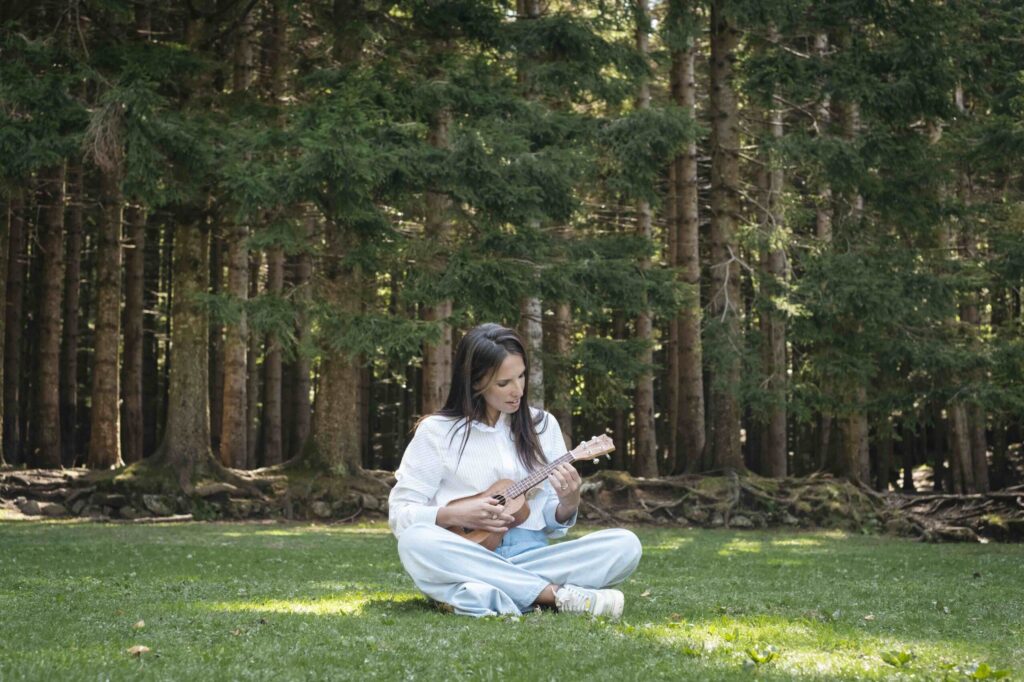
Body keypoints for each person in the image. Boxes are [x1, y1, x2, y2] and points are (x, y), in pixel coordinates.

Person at [388, 323, 642, 618]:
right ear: (474, 382)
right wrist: (454, 515)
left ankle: (483, 594)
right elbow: (401, 515)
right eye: (504, 383)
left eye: (521, 376)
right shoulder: (437, 432)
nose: (518, 390)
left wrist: (568, 503)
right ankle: (554, 595)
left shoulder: (543, 426)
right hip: (466, 553)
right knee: (415, 541)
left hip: (533, 555)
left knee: (626, 545)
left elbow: (550, 519)